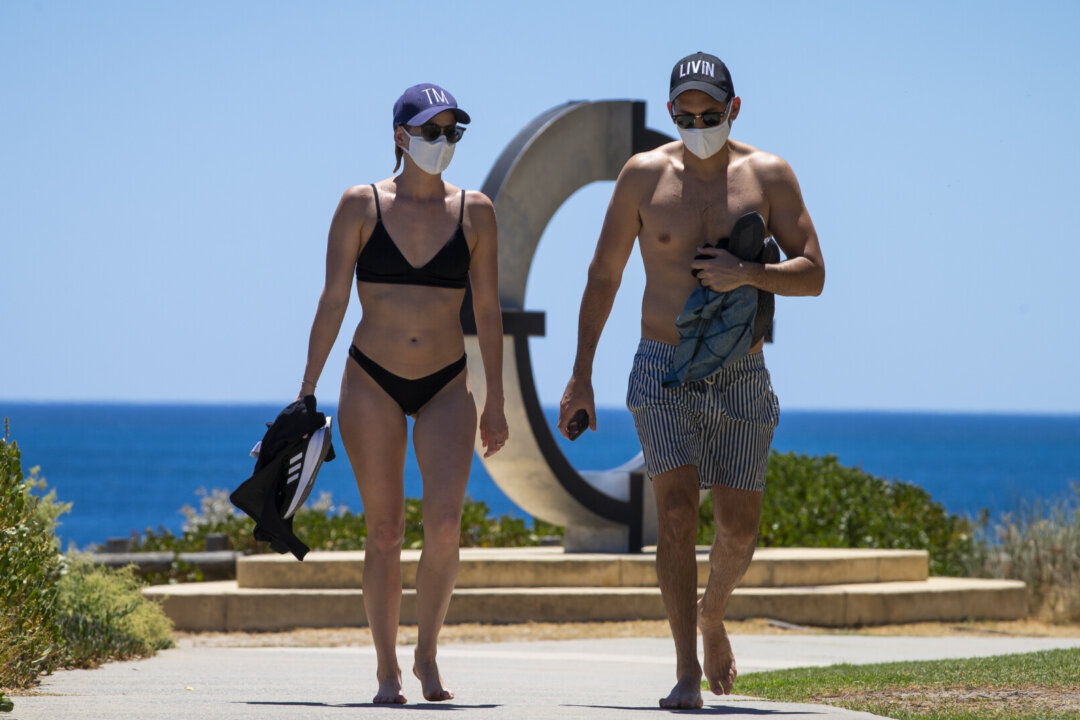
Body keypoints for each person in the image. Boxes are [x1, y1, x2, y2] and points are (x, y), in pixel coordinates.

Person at [558, 52, 825, 709]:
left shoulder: (768, 174)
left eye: (709, 113)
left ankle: (713, 615)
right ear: (670, 111)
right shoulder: (643, 177)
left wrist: (751, 275)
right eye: (684, 113)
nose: (696, 122)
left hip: (741, 370)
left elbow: (814, 273)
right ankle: (683, 669)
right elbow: (603, 276)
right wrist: (580, 376)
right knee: (676, 516)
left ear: (734, 108)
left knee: (738, 530)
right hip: (663, 366)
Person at [297, 83, 508, 704]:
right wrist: (305, 392)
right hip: (372, 379)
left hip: (447, 381)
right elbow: (333, 300)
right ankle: (387, 668)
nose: (442, 143)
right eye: (430, 131)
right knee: (385, 530)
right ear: (399, 136)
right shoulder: (360, 205)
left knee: (444, 527)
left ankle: (426, 656)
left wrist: (494, 399)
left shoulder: (477, 211)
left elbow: (490, 311)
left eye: (452, 133)